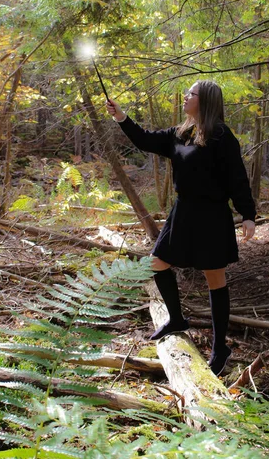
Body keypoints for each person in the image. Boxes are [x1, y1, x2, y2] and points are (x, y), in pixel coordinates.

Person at [106, 80, 256, 376]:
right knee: (156, 264)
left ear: (206, 101)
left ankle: (220, 349)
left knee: (215, 279)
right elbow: (145, 139)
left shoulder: (222, 137)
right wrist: (121, 117)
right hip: (183, 212)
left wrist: (248, 214)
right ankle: (176, 319)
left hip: (211, 215)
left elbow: (237, 178)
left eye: (191, 94)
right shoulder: (180, 133)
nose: (186, 97)